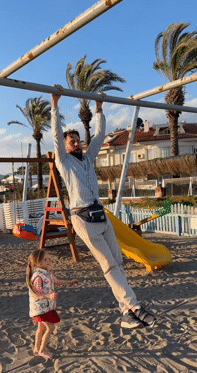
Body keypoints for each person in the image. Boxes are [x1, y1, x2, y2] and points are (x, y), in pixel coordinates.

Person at [51, 86, 157, 329]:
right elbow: (56, 137)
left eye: (77, 140)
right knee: (108, 264)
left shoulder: (87, 158)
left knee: (118, 261)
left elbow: (99, 136)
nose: (76, 143)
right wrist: (55, 105)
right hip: (82, 218)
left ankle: (126, 312)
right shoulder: (64, 163)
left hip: (99, 214)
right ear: (66, 147)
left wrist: (99, 109)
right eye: (72, 141)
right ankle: (133, 306)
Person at [26, 249, 78, 359]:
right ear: (37, 263)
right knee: (50, 328)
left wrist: (70, 282)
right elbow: (37, 293)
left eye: (48, 259)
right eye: (45, 260)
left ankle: (36, 348)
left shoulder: (47, 273)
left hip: (46, 307)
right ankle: (42, 350)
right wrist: (48, 296)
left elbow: (56, 281)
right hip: (39, 308)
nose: (48, 261)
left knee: (41, 328)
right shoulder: (37, 277)